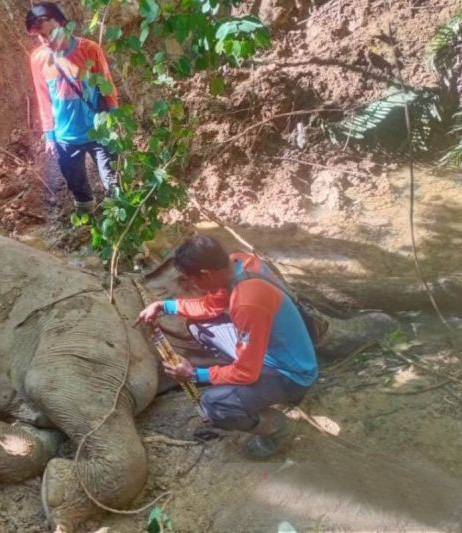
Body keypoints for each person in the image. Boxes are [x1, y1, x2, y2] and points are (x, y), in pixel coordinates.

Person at [135, 236, 318, 458]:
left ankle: (277, 428)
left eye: (190, 279)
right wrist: (163, 306)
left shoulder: (247, 302)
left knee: (214, 404)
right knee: (200, 328)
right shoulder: (239, 262)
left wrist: (194, 374)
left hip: (291, 374)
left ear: (205, 274)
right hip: (273, 347)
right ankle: (239, 385)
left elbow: (246, 372)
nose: (192, 285)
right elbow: (209, 306)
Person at [26, 2, 119, 214]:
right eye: (42, 36)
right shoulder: (39, 59)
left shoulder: (89, 49)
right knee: (76, 184)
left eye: (52, 32)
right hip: (65, 136)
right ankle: (86, 220)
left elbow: (107, 85)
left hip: (99, 130)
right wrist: (50, 135)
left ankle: (120, 220)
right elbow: (43, 98)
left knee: (113, 180)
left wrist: (115, 121)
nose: (48, 40)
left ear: (65, 26)